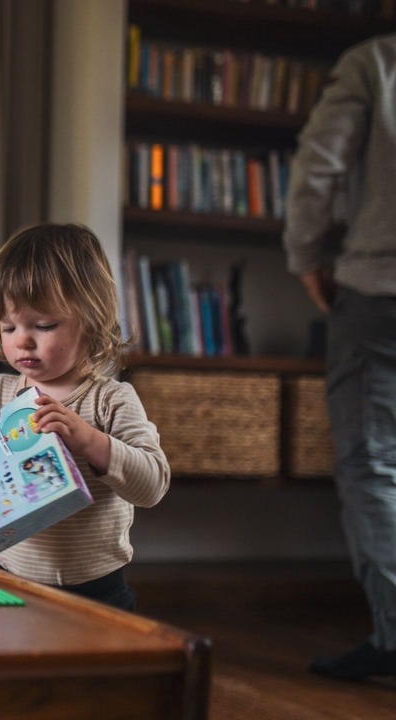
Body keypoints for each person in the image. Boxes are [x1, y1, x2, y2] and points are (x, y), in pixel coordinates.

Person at [0, 223, 170, 611]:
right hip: (4, 576)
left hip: (97, 591)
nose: (22, 340)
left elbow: (152, 485)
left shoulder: (111, 400)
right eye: (8, 326)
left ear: (90, 319)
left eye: (44, 325)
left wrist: (89, 440)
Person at [282, 32, 396, 682]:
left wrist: (305, 258)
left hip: (379, 292)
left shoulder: (375, 63)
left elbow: (317, 167)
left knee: (373, 464)